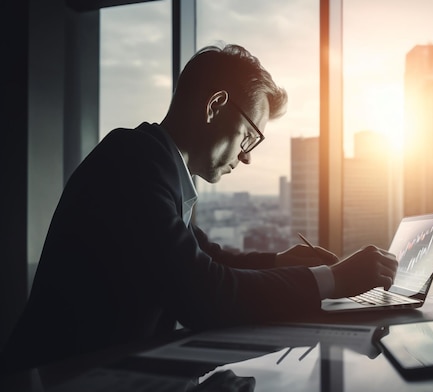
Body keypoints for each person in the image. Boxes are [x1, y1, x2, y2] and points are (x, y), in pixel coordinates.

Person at [0, 43, 397, 373]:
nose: (246, 158)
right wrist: (334, 279)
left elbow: (208, 258)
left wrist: (280, 262)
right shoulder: (134, 164)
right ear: (215, 106)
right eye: (248, 136)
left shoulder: (151, 162)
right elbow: (205, 294)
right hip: (49, 391)